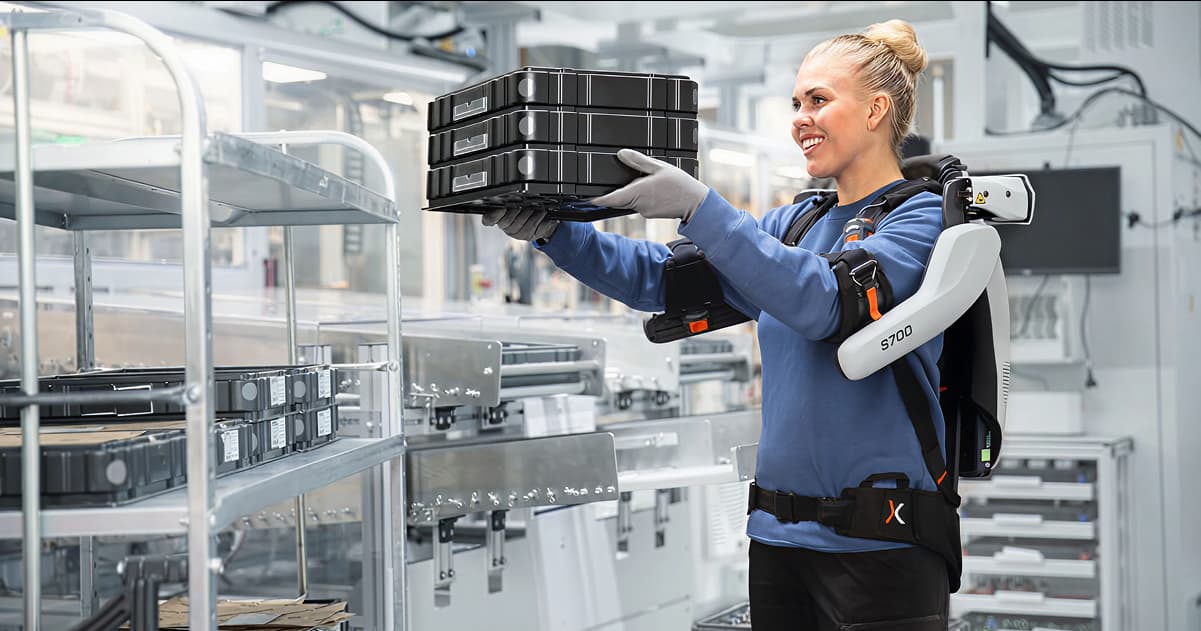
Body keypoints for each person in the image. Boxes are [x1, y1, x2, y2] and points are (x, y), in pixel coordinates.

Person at [481, 19, 951, 631]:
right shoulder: (795, 225)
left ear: (876, 110)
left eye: (818, 100)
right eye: (796, 104)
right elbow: (661, 280)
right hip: (777, 541)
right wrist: (556, 233)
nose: (800, 119)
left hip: (881, 547)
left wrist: (700, 207)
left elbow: (825, 303)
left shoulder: (923, 220)